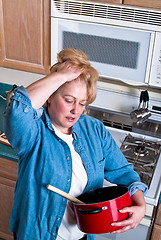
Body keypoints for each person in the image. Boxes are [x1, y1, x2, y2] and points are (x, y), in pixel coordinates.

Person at [4, 48, 148, 240]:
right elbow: (18, 109)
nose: (75, 110)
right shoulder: (34, 132)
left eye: (82, 103)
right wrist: (61, 75)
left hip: (81, 235)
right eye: (69, 100)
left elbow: (123, 171)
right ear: (50, 96)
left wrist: (140, 203)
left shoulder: (94, 129)